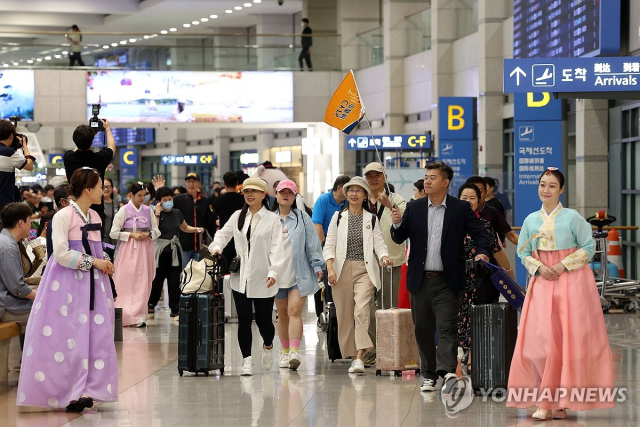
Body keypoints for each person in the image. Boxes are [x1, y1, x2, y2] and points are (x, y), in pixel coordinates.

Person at [507, 168, 614, 420]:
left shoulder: (573, 217)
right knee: (539, 342)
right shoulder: (532, 219)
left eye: (552, 185)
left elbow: (589, 247)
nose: (546, 190)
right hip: (543, 282)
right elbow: (523, 253)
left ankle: (556, 403)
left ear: (562, 189)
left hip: (571, 283)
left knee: (567, 341)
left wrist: (563, 264)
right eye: (543, 184)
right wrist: (539, 266)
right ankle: (547, 399)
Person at [16, 168, 117, 412]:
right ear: (88, 188)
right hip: (65, 284)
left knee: (96, 335)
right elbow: (60, 254)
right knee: (67, 337)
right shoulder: (63, 216)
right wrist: (95, 262)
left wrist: (103, 259)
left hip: (93, 283)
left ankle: (88, 389)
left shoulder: (94, 215)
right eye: (101, 186)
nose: (105, 190)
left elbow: (94, 248)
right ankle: (67, 391)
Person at [390, 161, 490, 395]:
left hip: (447, 279)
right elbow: (399, 237)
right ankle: (428, 373)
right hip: (420, 279)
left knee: (447, 327)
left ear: (446, 183)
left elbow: (480, 232)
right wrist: (396, 222)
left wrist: (482, 251)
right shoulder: (414, 208)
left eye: (433, 177)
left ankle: (446, 372)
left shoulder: (460, 209)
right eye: (426, 177)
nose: (427, 181)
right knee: (423, 329)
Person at [208, 178, 284, 376]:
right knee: (243, 319)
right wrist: (217, 248)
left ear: (263, 195)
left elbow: (277, 248)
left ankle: (268, 345)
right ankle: (247, 361)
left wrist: (274, 271)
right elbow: (222, 235)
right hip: (240, 278)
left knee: (263, 321)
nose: (250, 194)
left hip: (264, 278)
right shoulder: (237, 216)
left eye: (255, 191)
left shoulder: (272, 219)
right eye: (246, 191)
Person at [323, 177, 391, 375]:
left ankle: (360, 356)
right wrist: (330, 269)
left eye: (358, 191)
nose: (354, 194)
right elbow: (329, 245)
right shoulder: (338, 217)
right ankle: (353, 357)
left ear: (364, 195)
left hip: (365, 270)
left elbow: (379, 243)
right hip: (341, 269)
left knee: (361, 310)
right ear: (346, 194)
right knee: (344, 315)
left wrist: (384, 256)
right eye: (350, 190)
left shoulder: (371, 218)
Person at [455, 183, 511, 371]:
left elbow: (497, 250)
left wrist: (509, 275)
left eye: (472, 197)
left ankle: (474, 358)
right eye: (464, 198)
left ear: (479, 200)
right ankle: (467, 353)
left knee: (479, 317)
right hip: (460, 279)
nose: (469, 201)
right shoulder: (452, 223)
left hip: (482, 279)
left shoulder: (485, 225)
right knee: (463, 317)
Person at [271, 180, 325, 371]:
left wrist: (318, 266)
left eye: (290, 192)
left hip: (299, 274)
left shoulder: (302, 218)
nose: (286, 195)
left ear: (295, 197)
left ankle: (294, 352)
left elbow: (312, 244)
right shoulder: (269, 219)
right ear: (275, 195)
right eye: (282, 192)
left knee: (294, 312)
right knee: (282, 315)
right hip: (277, 276)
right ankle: (284, 353)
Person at [363, 162, 407, 365]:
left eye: (377, 175)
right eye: (369, 175)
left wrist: (390, 206)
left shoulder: (398, 200)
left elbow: (405, 226)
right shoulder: (359, 200)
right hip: (364, 263)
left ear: (385, 177)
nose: (373, 179)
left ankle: (388, 349)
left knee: (389, 308)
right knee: (365, 307)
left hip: (391, 261)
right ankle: (372, 346)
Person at [110, 182, 160, 327]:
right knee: (126, 280)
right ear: (131, 195)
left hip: (145, 249)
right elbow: (113, 232)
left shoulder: (148, 210)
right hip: (129, 250)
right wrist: (131, 235)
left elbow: (157, 231)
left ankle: (138, 315)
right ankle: (125, 314)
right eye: (139, 195)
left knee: (143, 280)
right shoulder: (124, 210)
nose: (142, 198)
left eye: (144, 195)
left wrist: (149, 234)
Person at [149, 187, 203, 319]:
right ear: (159, 202)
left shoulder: (177, 212)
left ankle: (175, 307)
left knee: (174, 280)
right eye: (165, 200)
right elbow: (154, 230)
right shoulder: (155, 213)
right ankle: (151, 303)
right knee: (158, 279)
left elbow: (184, 227)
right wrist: (157, 213)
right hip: (160, 250)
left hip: (174, 250)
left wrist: (196, 229)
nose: (168, 201)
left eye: (170, 199)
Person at [311, 174, 350, 327]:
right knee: (322, 277)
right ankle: (321, 315)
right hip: (325, 242)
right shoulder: (324, 200)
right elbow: (317, 225)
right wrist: (324, 247)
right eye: (348, 189)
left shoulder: (347, 202)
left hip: (344, 246)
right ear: (340, 188)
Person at [63, 120, 116, 225]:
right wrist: (108, 129)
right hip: (96, 207)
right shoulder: (100, 158)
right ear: (91, 142)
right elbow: (112, 148)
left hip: (75, 206)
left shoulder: (68, 157)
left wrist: (88, 136)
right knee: (95, 241)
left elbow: (76, 149)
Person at [0, 203, 36, 328]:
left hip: (6, 301)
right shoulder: (8, 246)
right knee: (51, 313)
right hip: (5, 307)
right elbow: (18, 289)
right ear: (21, 223)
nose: (30, 225)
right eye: (29, 221)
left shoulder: (5, 240)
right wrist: (42, 294)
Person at [172, 172, 216, 268]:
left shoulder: (204, 201)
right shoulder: (178, 200)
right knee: (183, 274)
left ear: (199, 184)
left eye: (194, 182)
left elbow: (209, 222)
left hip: (200, 246)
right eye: (188, 181)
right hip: (183, 245)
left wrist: (214, 240)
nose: (191, 184)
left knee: (198, 275)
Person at [465, 176, 518, 246]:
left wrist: (532, 246)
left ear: (486, 192)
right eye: (472, 193)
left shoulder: (493, 213)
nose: (476, 196)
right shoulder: (457, 214)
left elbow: (511, 235)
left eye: (479, 192)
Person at [0, 120, 34, 224]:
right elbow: (29, 166)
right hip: (3, 206)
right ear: (11, 135)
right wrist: (24, 146)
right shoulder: (9, 153)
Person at [211, 171, 245, 274]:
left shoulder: (218, 200)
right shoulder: (243, 199)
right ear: (237, 183)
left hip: (224, 238)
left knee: (225, 269)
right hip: (241, 235)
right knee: (241, 267)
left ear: (224, 183)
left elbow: (214, 214)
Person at [102, 177, 118, 246]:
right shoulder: (97, 205)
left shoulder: (116, 204)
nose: (106, 189)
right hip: (102, 241)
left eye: (108, 187)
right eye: (103, 187)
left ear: (112, 188)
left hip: (114, 241)